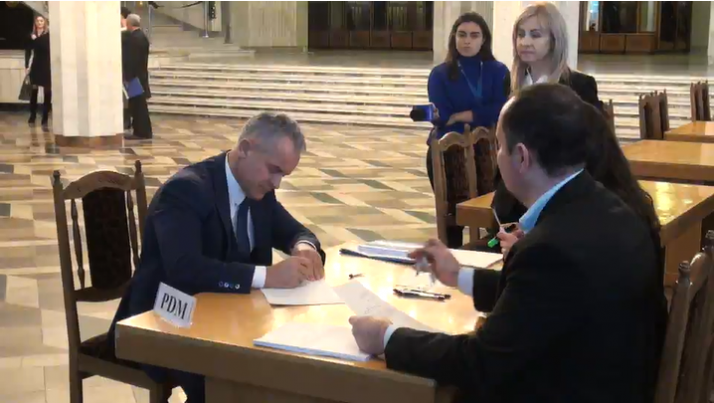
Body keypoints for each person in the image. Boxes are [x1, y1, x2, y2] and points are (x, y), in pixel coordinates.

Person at [350, 84, 667, 403]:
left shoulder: (550, 248)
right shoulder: (609, 207)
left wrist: (387, 338)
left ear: (522, 157)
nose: (496, 156)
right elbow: (542, 297)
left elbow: (480, 362)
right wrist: (459, 276)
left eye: (499, 146)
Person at [108, 112, 326, 403]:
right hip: (165, 316)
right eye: (274, 170)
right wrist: (267, 276)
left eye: (283, 175)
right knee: (229, 382)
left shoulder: (258, 190)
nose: (277, 183)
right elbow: (185, 268)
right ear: (245, 149)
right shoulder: (186, 190)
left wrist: (304, 247)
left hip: (225, 314)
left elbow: (296, 231)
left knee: (283, 370)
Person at [492, 1, 603, 226]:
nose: (525, 42)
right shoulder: (509, 83)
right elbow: (504, 142)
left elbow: (592, 149)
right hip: (512, 199)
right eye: (520, 34)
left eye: (535, 35)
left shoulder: (579, 85)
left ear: (554, 39)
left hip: (561, 201)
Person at [425, 12, 510, 248]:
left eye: (474, 35)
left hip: (488, 151)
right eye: (462, 35)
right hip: (447, 153)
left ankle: (491, 252)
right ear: (454, 38)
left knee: (495, 214)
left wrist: (460, 115)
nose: (467, 41)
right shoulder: (440, 74)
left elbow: (500, 109)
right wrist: (476, 113)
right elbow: (443, 115)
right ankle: (453, 258)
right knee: (453, 217)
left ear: (484, 39)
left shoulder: (498, 71)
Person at [122, 14, 153, 139]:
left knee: (138, 105)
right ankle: (140, 131)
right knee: (137, 105)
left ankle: (142, 132)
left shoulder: (135, 38)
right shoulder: (140, 36)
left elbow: (132, 60)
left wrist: (127, 77)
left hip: (135, 77)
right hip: (139, 76)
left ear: (129, 24)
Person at [24, 15, 51, 130]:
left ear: (45, 23)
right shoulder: (31, 35)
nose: (39, 23)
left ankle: (45, 119)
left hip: (46, 65)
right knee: (33, 92)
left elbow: (45, 48)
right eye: (38, 21)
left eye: (41, 21)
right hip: (35, 64)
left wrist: (36, 40)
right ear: (35, 23)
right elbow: (28, 51)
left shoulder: (48, 36)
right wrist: (27, 66)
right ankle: (32, 116)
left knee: (47, 93)